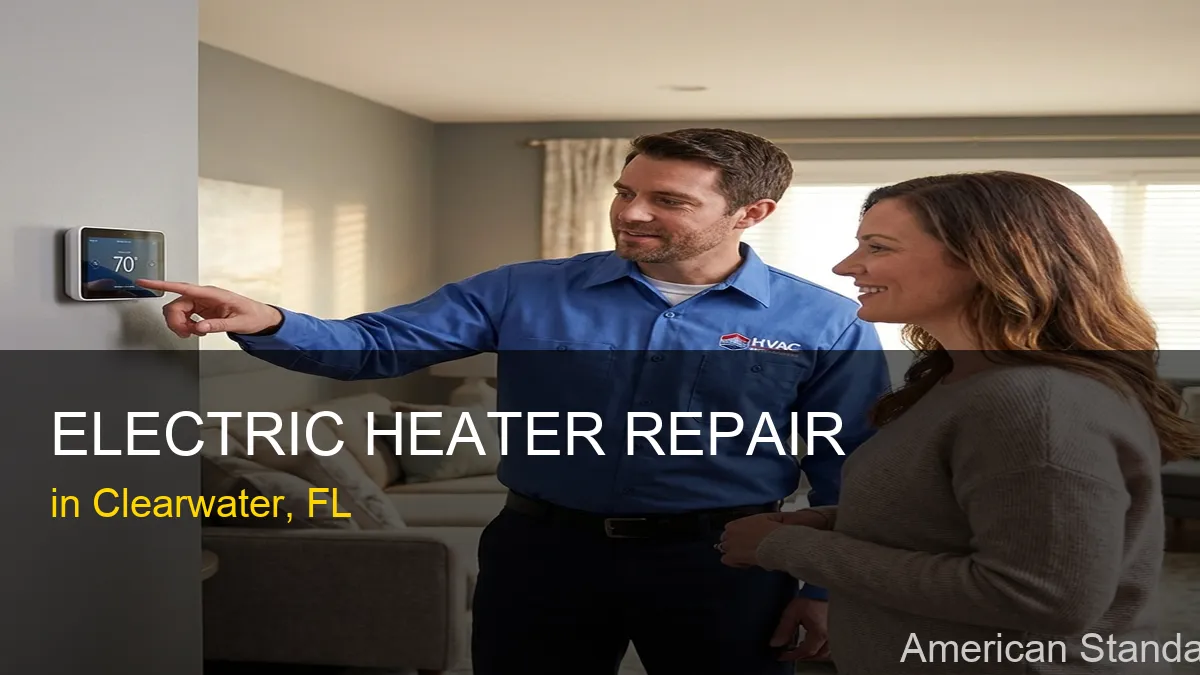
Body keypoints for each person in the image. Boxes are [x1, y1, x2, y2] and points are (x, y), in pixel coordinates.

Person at [140, 127, 892, 675]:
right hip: (544, 554)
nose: (631, 212)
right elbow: (374, 344)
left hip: (726, 561)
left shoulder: (822, 320)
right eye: (625, 192)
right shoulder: (521, 289)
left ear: (751, 214)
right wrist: (265, 319)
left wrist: (825, 587)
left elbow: (852, 465)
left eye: (666, 200)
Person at [717, 170, 1200, 674]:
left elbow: (1043, 596)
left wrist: (789, 547)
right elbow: (971, 513)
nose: (846, 267)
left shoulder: (1037, 402)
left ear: (985, 259)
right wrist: (830, 519)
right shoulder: (960, 380)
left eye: (878, 247)